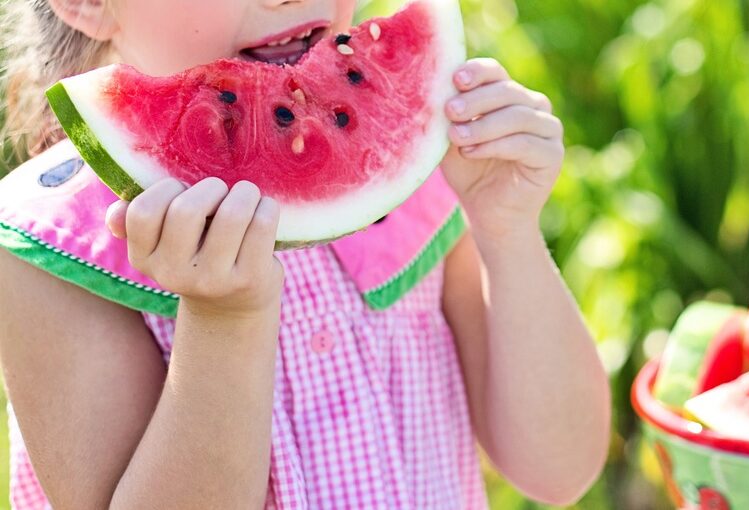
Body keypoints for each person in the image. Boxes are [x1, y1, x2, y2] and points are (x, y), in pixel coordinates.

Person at [0, 0, 610, 508]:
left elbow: (560, 469)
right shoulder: (53, 249)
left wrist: (507, 230)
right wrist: (224, 321)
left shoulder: (416, 175)